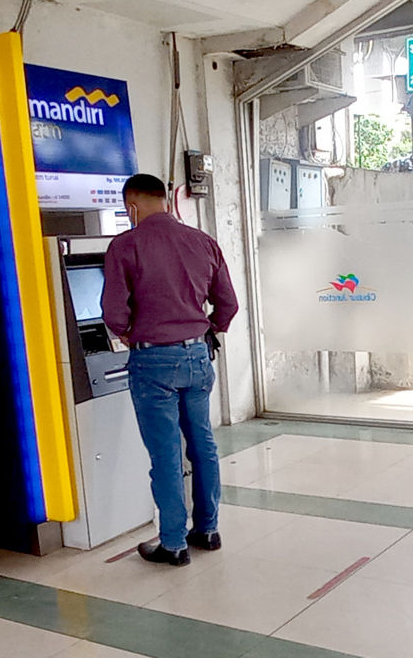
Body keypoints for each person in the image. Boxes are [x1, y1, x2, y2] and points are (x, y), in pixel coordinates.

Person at [102, 173, 239, 567]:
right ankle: (208, 530)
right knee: (203, 447)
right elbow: (227, 304)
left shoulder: (125, 246)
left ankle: (174, 544)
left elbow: (113, 311)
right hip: (197, 357)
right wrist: (209, 330)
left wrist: (127, 333)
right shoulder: (202, 241)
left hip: (153, 361)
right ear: (165, 200)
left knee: (165, 455)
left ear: (132, 206)